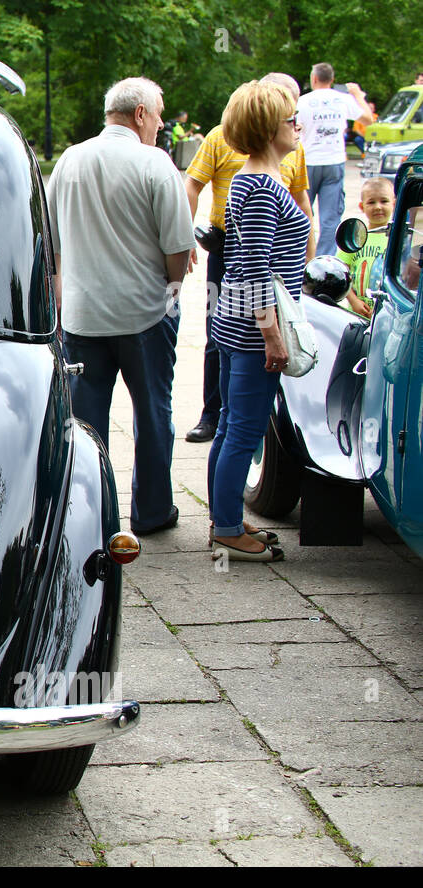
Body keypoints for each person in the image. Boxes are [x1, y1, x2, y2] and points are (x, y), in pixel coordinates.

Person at [47, 76, 194, 535]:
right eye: (160, 112)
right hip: (144, 314)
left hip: (82, 316)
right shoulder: (155, 163)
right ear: (141, 115)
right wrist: (172, 290)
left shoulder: (69, 160)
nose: (163, 122)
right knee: (153, 415)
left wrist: (59, 299)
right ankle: (151, 513)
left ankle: (92, 516)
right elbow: (179, 247)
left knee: (85, 425)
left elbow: (48, 242)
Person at [183, 72, 317, 444]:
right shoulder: (227, 148)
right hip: (230, 252)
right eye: (290, 117)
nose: (297, 125)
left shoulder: (291, 153)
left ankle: (249, 415)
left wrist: (307, 253)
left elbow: (301, 198)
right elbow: (193, 184)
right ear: (267, 121)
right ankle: (211, 411)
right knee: (218, 335)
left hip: (269, 260)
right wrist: (185, 236)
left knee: (228, 342)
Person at [208, 81, 310, 562]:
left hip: (233, 323)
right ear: (270, 128)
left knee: (231, 427)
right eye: (291, 120)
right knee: (244, 431)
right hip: (252, 332)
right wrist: (271, 334)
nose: (298, 127)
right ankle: (227, 528)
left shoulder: (250, 179)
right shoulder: (264, 186)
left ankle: (224, 517)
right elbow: (253, 265)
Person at [296, 63, 373, 256]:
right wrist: (358, 95)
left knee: (302, 213)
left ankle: (301, 256)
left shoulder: (303, 101)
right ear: (332, 79)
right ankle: (324, 259)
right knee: (330, 217)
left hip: (308, 162)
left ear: (314, 79)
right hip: (333, 161)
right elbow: (368, 119)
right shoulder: (343, 99)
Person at [337, 177, 394, 318]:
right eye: (371, 202)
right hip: (357, 314)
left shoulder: (399, 240)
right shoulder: (354, 238)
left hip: (388, 316)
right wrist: (354, 301)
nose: (378, 207)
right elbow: (341, 273)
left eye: (384, 201)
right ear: (362, 207)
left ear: (394, 204)